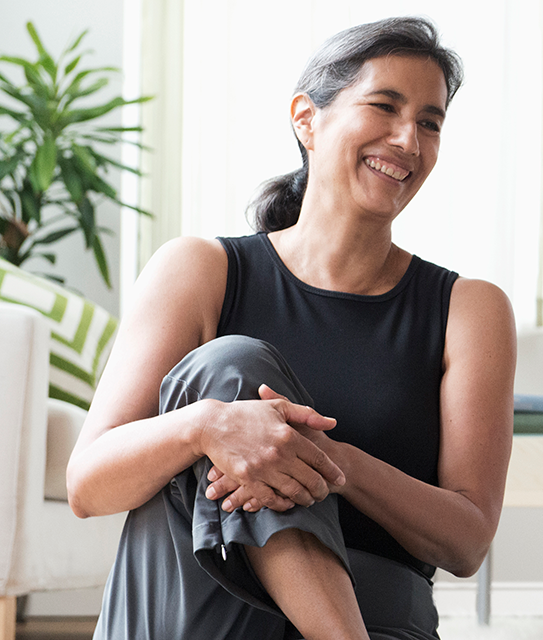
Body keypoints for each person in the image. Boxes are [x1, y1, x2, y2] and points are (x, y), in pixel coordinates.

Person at [66, 17, 517, 640]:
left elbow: (466, 542)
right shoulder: (201, 270)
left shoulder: (470, 308)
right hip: (200, 609)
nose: (409, 140)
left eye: (430, 122)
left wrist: (330, 461)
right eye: (384, 106)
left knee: (236, 374)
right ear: (307, 118)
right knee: (232, 369)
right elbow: (88, 485)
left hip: (377, 610)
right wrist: (209, 427)